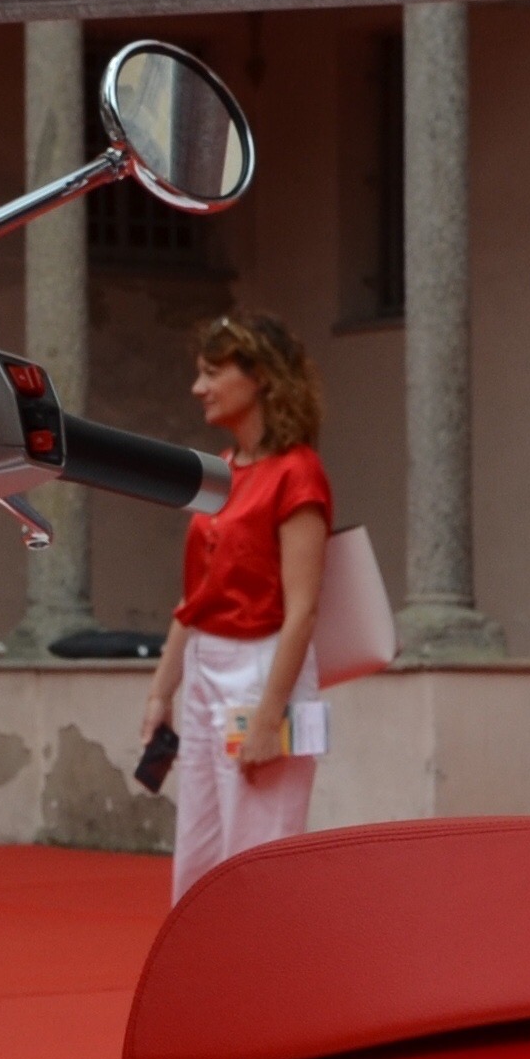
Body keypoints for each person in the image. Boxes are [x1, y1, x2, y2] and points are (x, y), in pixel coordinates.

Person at [140, 309, 335, 924]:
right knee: (197, 856)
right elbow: (194, 599)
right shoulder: (221, 471)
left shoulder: (298, 472)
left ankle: (262, 977)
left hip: (263, 668)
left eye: (211, 372)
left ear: (261, 377)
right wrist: (161, 692)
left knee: (256, 853)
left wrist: (270, 715)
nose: (198, 387)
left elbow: (303, 610)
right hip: (205, 666)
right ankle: (201, 974)